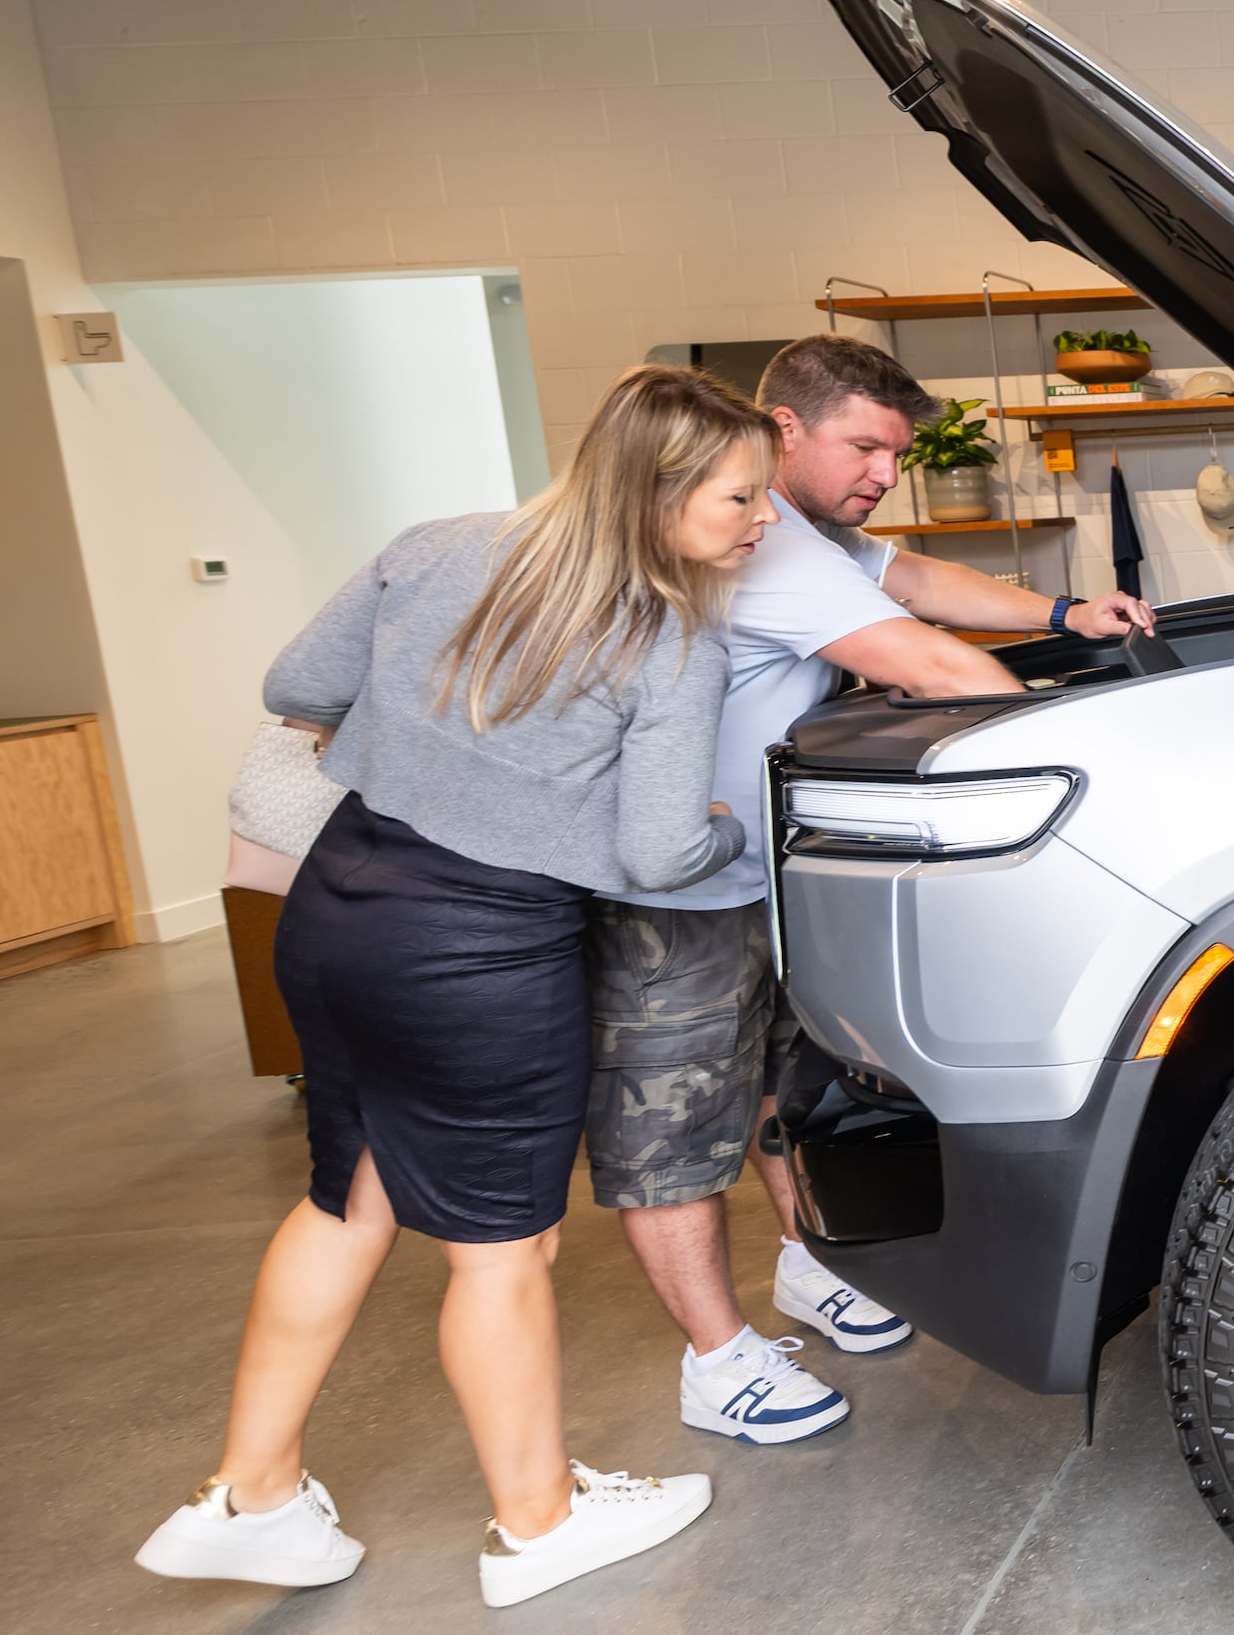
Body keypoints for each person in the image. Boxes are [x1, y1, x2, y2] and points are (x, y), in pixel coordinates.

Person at [137, 365, 779, 1608]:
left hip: (336, 911)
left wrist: (435, 741)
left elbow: (297, 690)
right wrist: (729, 836)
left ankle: (254, 1492)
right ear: (656, 493)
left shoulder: (436, 548)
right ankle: (539, 1522)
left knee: (347, 1201)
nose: (760, 521)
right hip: (478, 952)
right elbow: (655, 854)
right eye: (740, 498)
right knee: (503, 1248)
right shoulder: (671, 627)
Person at [591, 332, 1156, 1444]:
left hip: (757, 876)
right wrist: (1094, 781)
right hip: (671, 889)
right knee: (670, 1136)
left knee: (767, 1094)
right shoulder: (768, 542)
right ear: (784, 429)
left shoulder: (799, 529)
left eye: (896, 456)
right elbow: (934, 661)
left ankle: (804, 1265)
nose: (881, 476)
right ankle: (717, 1362)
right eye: (864, 448)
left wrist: (1060, 616)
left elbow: (914, 579)